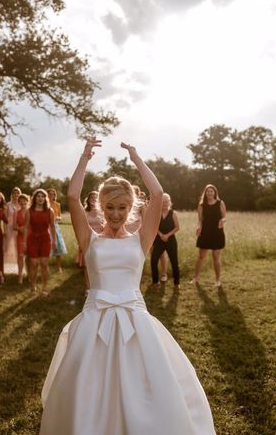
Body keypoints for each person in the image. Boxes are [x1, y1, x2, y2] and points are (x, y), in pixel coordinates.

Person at [39, 139, 216, 434]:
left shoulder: (141, 239)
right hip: (94, 320)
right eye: (110, 207)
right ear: (101, 206)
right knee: (88, 388)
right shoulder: (90, 238)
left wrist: (137, 159)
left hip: (136, 320)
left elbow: (157, 193)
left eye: (122, 207)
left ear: (131, 207)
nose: (116, 214)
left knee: (143, 391)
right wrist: (84, 158)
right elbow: (72, 196)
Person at [192, 184, 227, 287]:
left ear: (215, 193)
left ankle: (217, 280)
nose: (210, 193)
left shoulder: (220, 203)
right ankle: (195, 278)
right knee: (201, 256)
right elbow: (200, 220)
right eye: (208, 191)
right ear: (205, 193)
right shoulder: (201, 205)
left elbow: (224, 217)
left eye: (211, 191)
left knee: (216, 257)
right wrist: (199, 227)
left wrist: (222, 220)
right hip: (205, 233)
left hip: (217, 233)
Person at [24, 189, 56, 296]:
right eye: (38, 196)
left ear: (45, 198)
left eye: (42, 196)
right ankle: (33, 287)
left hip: (45, 239)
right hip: (32, 239)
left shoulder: (49, 211)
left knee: (44, 264)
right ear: (34, 198)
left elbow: (52, 226)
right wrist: (24, 242)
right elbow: (26, 227)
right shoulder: (29, 211)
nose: (40, 198)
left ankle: (45, 287)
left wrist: (54, 241)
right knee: (33, 264)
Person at [150, 193, 180, 289]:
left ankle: (176, 283)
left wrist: (167, 235)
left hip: (170, 240)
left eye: (166, 201)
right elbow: (154, 226)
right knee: (154, 260)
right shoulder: (156, 213)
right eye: (163, 201)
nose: (164, 203)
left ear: (169, 202)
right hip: (158, 240)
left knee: (174, 261)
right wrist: (161, 235)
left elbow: (177, 227)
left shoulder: (173, 213)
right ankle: (155, 282)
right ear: (160, 203)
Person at [76, 190, 103, 290]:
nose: (94, 199)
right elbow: (80, 227)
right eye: (92, 198)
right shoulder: (84, 211)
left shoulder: (102, 211)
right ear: (88, 199)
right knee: (87, 266)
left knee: (99, 266)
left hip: (100, 241)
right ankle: (88, 289)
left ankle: (99, 286)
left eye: (96, 198)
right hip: (88, 240)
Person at [47, 188, 68, 273]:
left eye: (53, 194)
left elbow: (60, 216)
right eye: (49, 194)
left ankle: (59, 267)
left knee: (58, 246)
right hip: (46, 226)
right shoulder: (45, 204)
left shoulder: (57, 204)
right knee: (46, 246)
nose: (51, 195)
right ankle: (46, 267)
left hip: (55, 226)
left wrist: (57, 218)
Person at [3, 187, 21, 275]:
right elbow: (4, 219)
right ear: (12, 194)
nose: (16, 195)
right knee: (8, 247)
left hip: (19, 227)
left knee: (19, 247)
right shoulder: (8, 204)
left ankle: (19, 267)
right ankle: (6, 267)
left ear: (20, 194)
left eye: (17, 193)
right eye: (14, 193)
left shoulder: (22, 204)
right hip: (10, 227)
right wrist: (5, 230)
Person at [13, 193, 29, 284]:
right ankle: (20, 276)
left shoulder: (31, 211)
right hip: (20, 237)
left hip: (30, 236)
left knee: (29, 257)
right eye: (21, 201)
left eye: (24, 201)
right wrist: (20, 228)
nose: (23, 202)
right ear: (18, 202)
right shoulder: (16, 213)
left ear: (27, 201)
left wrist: (27, 229)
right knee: (21, 256)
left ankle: (30, 274)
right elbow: (14, 227)